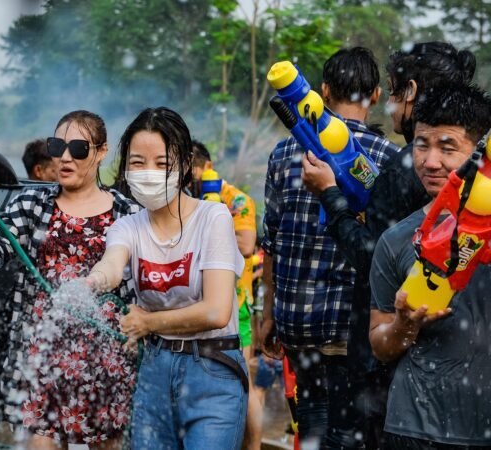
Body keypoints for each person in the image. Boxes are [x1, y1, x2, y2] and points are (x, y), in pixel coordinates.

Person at [298, 42, 476, 449]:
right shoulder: (469, 177)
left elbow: (374, 255)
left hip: (392, 357)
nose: (390, 108)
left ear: (410, 92)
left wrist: (330, 196)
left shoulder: (410, 169)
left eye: (394, 94)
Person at [0, 110, 140, 449]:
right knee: (39, 444)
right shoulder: (32, 203)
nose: (66, 156)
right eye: (58, 145)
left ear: (102, 152)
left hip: (105, 359)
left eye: (79, 148)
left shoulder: (126, 212)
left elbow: (139, 286)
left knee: (106, 444)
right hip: (42, 354)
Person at [260, 47, 401, 449]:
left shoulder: (285, 151)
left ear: (322, 90)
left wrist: (268, 313)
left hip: (296, 324)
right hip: (349, 330)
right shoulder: (388, 158)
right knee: (347, 436)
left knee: (314, 433)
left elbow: (271, 238)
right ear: (375, 95)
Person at [86, 107, 247, 449]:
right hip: (155, 372)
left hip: (212, 369)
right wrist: (94, 280)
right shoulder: (127, 226)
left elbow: (215, 311)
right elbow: (113, 263)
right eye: (138, 162)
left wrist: (148, 323)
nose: (149, 173)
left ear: (185, 164)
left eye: (162, 163)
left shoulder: (212, 217)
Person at [369, 82, 491, 449]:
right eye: (422, 144)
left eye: (447, 146)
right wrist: (404, 325)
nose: (430, 160)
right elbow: (380, 344)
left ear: (480, 154)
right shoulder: (396, 241)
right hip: (415, 427)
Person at [190, 140, 261, 450]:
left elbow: (246, 245)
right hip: (196, 305)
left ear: (206, 166)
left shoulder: (237, 200)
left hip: (236, 304)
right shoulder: (186, 199)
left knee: (241, 383)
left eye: (191, 169)